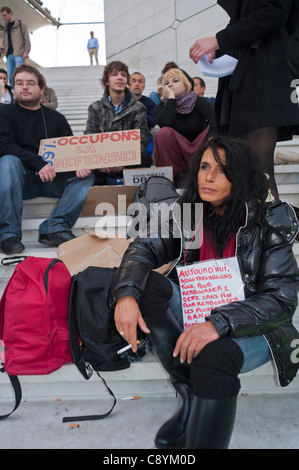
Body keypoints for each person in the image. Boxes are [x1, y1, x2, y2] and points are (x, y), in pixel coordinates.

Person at [111, 136, 299, 449]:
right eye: (204, 166)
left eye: (222, 171)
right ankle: (189, 393)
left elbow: (281, 300)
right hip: (201, 307)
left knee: (215, 354)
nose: (208, 177)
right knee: (148, 285)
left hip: (257, 326)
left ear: (241, 178)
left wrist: (217, 324)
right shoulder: (190, 213)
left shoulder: (271, 219)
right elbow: (144, 246)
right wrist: (126, 295)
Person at [189, 0, 299, 201]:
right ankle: (255, 229)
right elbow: (245, 18)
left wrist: (219, 40)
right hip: (248, 74)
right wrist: (218, 49)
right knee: (245, 168)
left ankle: (271, 230)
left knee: (258, 168)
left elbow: (275, 13)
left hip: (267, 74)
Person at [0, 65, 95, 256]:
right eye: (19, 83)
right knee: (8, 161)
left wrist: (78, 167)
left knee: (87, 175)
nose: (24, 87)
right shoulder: (5, 112)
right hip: (21, 181)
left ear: (41, 90)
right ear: (14, 88)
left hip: (53, 181)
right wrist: (39, 163)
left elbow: (69, 153)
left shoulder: (57, 119)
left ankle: (56, 227)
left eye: (30, 83)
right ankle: (8, 234)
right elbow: (5, 145)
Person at [84, 60, 151, 185]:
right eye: (115, 74)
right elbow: (90, 136)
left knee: (145, 160)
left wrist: (124, 160)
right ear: (106, 81)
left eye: (123, 75)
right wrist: (99, 161)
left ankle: (116, 179)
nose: (120, 78)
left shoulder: (138, 107)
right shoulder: (95, 107)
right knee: (86, 165)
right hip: (103, 161)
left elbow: (142, 138)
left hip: (127, 161)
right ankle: (113, 180)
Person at [154, 68, 217, 185]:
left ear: (186, 86)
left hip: (199, 147)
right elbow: (165, 123)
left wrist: (212, 137)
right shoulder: (161, 107)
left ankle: (206, 173)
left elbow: (214, 117)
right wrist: (171, 99)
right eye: (167, 83)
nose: (170, 85)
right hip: (176, 153)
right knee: (163, 133)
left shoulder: (198, 101)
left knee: (213, 132)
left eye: (175, 81)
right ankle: (178, 176)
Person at [0, 7, 30, 88]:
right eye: (3, 16)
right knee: (10, 77)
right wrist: (3, 48)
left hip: (19, 54)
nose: (4, 17)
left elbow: (27, 40)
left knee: (19, 76)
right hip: (9, 55)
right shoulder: (5, 28)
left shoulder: (20, 25)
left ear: (10, 13)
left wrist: (26, 52)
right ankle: (16, 94)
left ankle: (19, 94)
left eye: (5, 15)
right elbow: (5, 41)